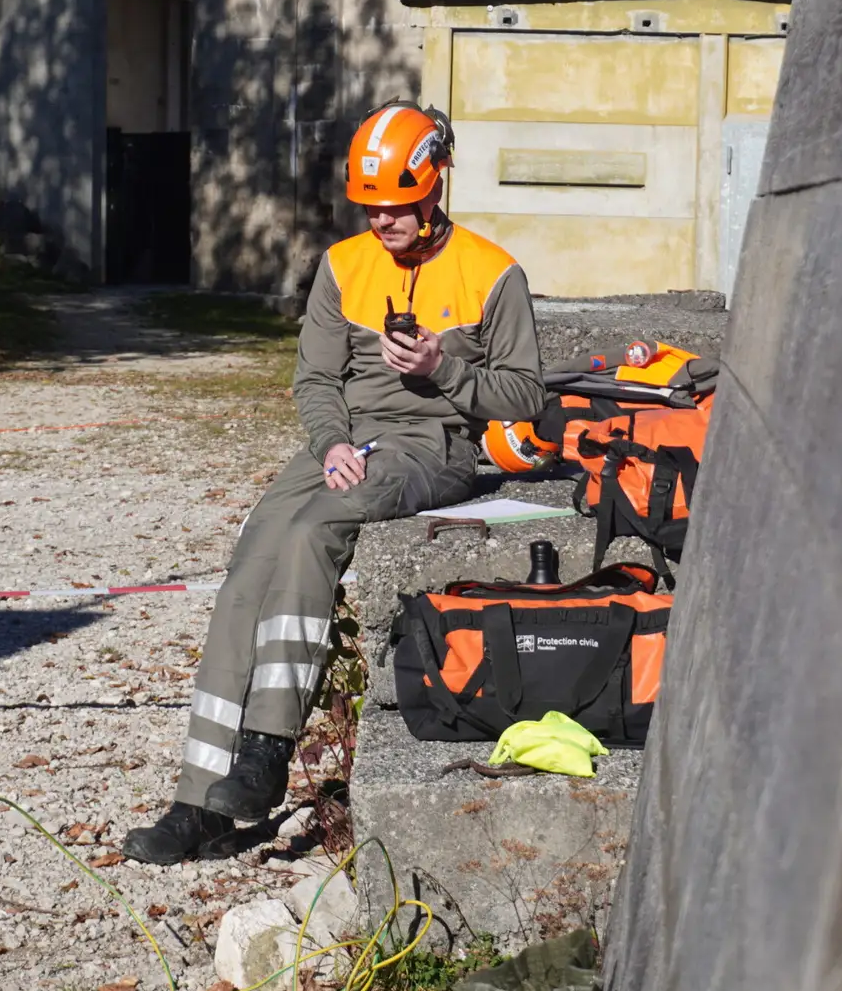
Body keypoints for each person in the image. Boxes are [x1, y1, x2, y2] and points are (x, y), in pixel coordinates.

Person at [122, 101, 546, 864]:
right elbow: (315, 379)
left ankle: (266, 751)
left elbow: (525, 394)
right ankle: (199, 800)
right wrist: (332, 444)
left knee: (314, 531)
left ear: (435, 185)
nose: (383, 221)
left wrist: (442, 369)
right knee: (254, 555)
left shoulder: (493, 272)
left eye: (398, 207)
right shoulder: (343, 265)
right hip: (347, 440)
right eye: (371, 207)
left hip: (431, 445)